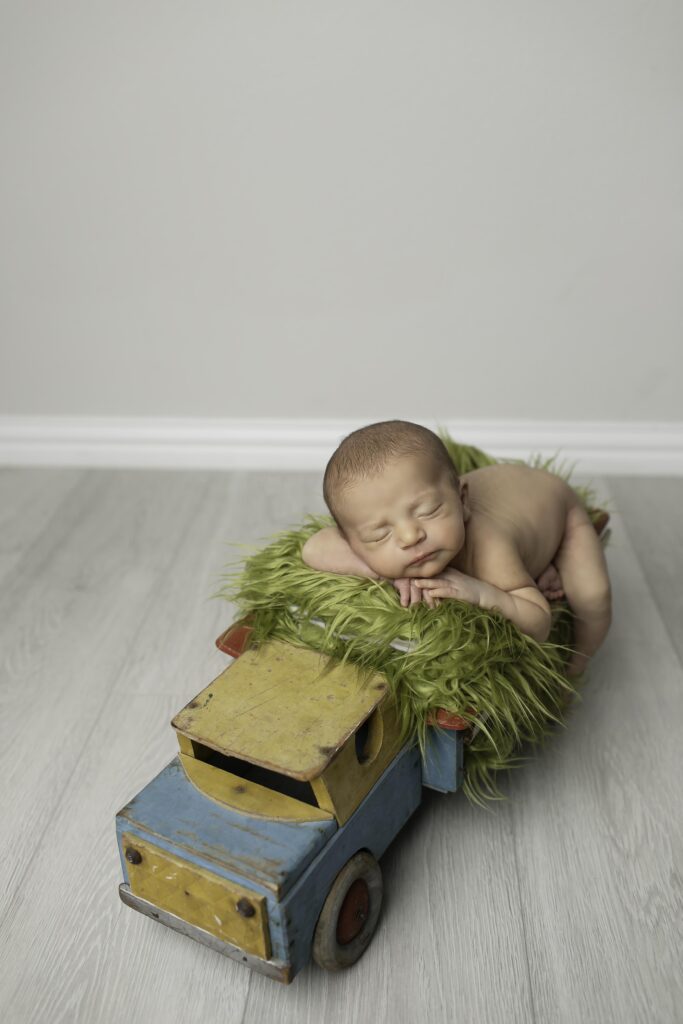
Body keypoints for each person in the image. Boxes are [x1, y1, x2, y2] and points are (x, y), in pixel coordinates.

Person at [302, 420, 612, 677]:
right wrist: (388, 572)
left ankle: (578, 664)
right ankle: (538, 561)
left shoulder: (489, 548)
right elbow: (313, 549)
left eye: (428, 510)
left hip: (555, 505)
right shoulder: (375, 534)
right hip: (513, 504)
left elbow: (538, 622)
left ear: (462, 501)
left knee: (592, 595)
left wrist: (481, 593)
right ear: (352, 540)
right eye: (379, 534)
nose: (410, 536)